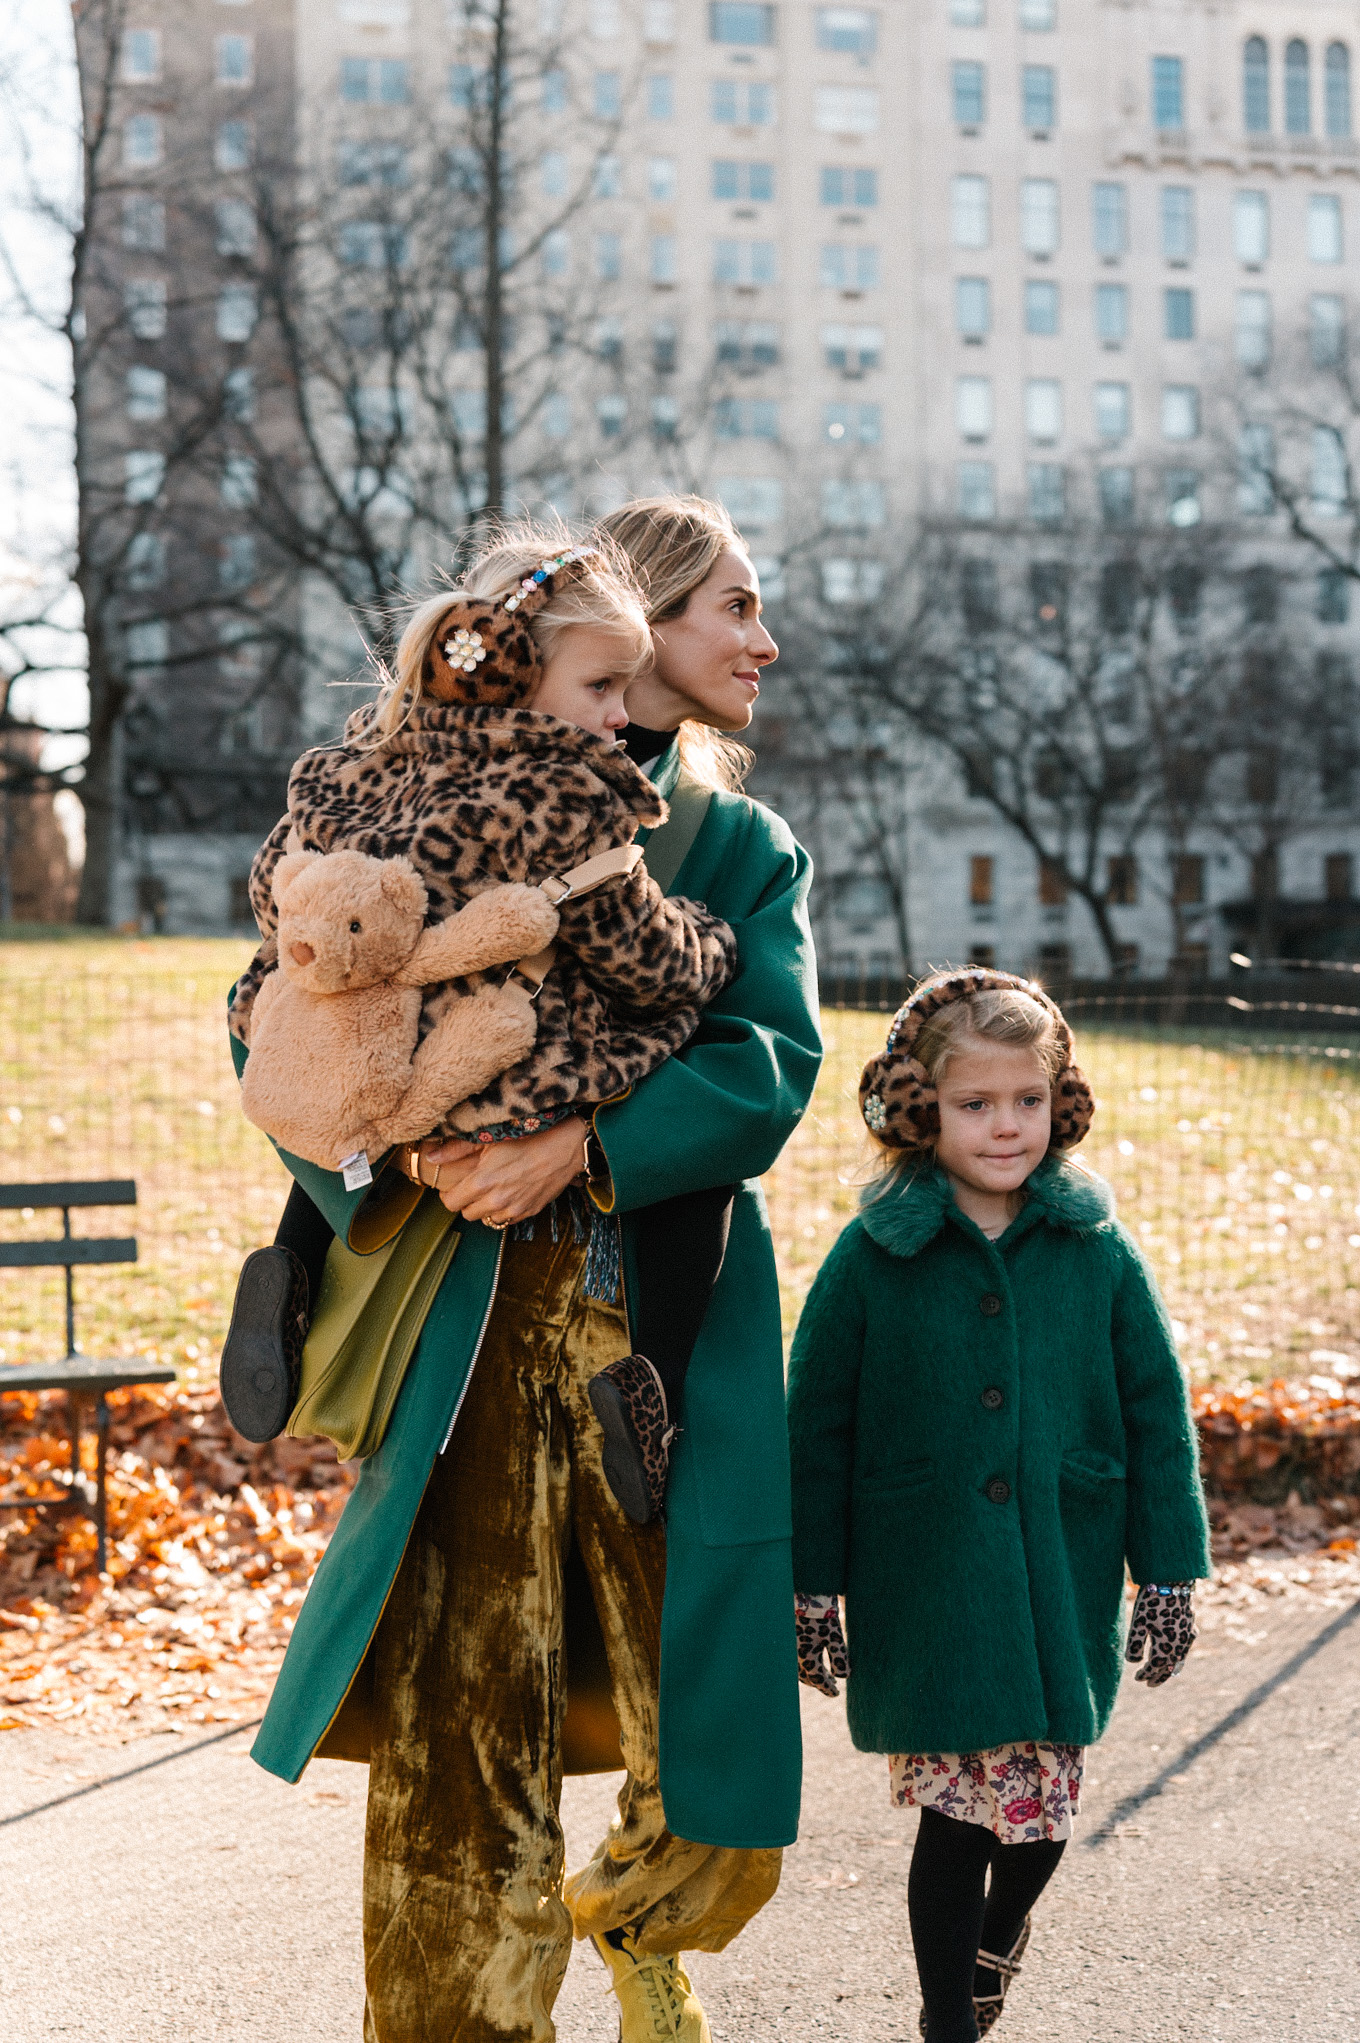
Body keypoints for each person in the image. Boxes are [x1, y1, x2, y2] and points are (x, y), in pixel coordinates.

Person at [230, 494, 822, 2043]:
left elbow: (770, 1056)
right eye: (738, 607)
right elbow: (276, 1020)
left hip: (664, 1334)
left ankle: (636, 1918)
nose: (763, 641)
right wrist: (398, 1145)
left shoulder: (738, 848)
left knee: (706, 1723)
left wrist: (588, 1143)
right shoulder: (398, 799)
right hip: (458, 1334)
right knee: (456, 1719)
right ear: (642, 624)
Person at [223, 530, 736, 1523]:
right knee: (676, 1106)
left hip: (357, 1060)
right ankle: (652, 1392)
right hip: (509, 1080)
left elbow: (272, 895)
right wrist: (706, 944)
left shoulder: (351, 768)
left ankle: (289, 1264)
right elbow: (642, 962)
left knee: (333, 1063)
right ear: (515, 672)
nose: (619, 715)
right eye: (600, 687)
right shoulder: (569, 799)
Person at [786, 968, 1210, 2043]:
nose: (1004, 1126)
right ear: (920, 1110)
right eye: (975, 1105)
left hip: (1056, 1570)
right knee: (953, 1824)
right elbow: (817, 1424)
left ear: (1058, 1102)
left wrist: (1167, 1573)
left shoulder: (1094, 1251)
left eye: (1026, 1100)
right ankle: (948, 2023)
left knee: (1039, 1819)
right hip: (924, 1582)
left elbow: (1154, 1411)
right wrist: (810, 1585)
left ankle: (993, 1942)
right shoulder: (874, 1254)